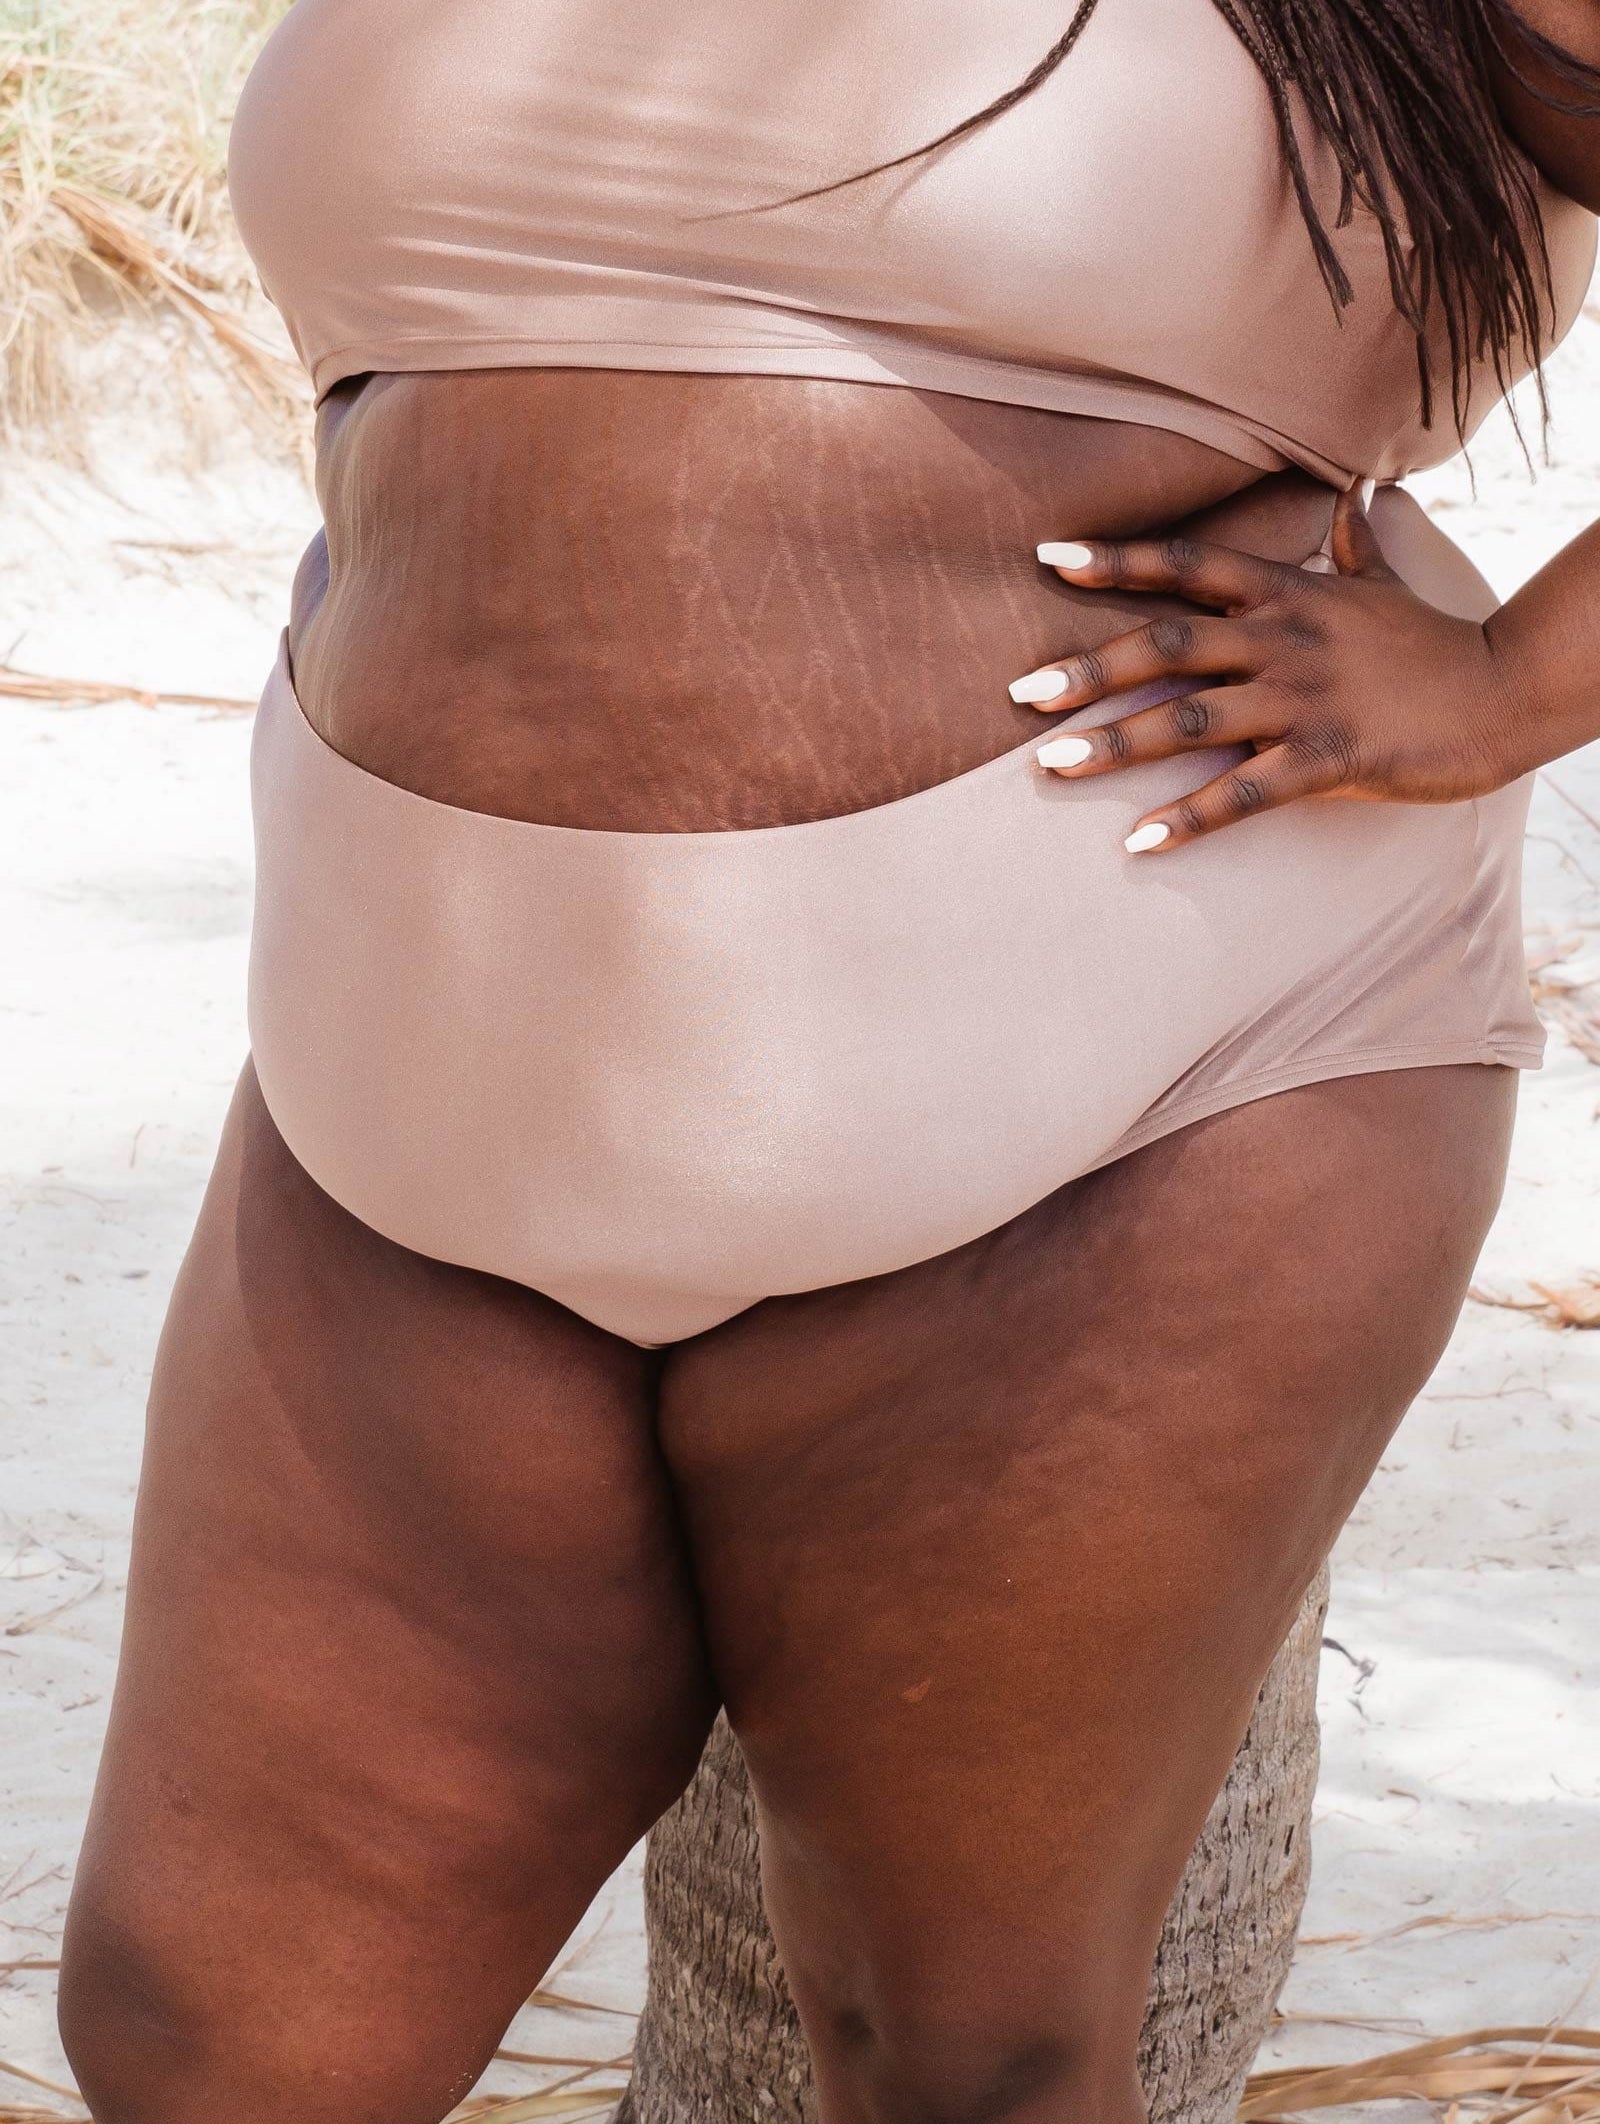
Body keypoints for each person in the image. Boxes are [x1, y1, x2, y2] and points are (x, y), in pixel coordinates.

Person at [55, 3, 1600, 2119]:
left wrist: (1508, 681)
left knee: (953, 2058)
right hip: (424, 1059)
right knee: (203, 2035)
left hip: (1153, 1072)